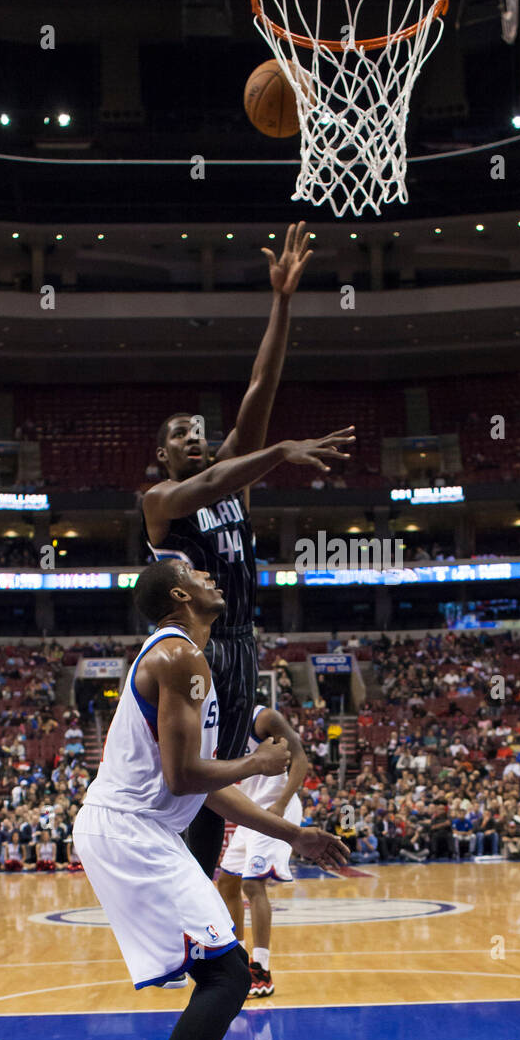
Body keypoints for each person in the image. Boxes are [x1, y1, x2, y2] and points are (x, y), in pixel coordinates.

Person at [73, 559, 350, 1040]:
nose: (212, 575)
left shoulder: (187, 660)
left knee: (213, 967)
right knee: (229, 972)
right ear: (179, 595)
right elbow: (182, 778)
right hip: (131, 830)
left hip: (142, 830)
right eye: (196, 572)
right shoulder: (179, 659)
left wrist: (295, 834)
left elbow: (203, 791)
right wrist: (256, 760)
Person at [142, 231, 353, 889]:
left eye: (200, 431)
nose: (195, 438)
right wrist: (278, 452)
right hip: (193, 652)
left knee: (217, 782)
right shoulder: (161, 500)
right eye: (181, 435)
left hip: (243, 646)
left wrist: (282, 302)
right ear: (164, 455)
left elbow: (262, 382)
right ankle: (176, 890)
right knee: (192, 780)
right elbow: (208, 485)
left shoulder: (231, 476)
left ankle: (200, 902)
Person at [216, 705, 309, 999]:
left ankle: (261, 969)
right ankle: (239, 963)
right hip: (250, 810)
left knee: (252, 884)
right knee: (227, 883)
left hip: (276, 806)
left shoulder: (263, 718)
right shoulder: (214, 722)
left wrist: (282, 802)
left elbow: (301, 759)